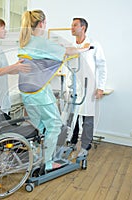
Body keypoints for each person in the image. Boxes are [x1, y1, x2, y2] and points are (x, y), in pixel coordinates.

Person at [18, 10, 90, 171]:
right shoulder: (42, 42)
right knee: (55, 125)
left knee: (40, 126)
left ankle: (39, 156)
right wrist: (84, 48)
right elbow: (68, 51)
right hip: (39, 93)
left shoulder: (24, 41)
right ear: (42, 23)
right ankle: (48, 163)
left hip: (26, 93)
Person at [69, 18, 107, 157]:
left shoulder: (93, 45)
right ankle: (71, 143)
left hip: (88, 87)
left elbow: (102, 67)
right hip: (73, 88)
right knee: (72, 117)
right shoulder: (71, 46)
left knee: (87, 119)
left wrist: (100, 87)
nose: (71, 28)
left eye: (74, 25)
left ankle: (85, 146)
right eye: (71, 25)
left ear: (83, 28)